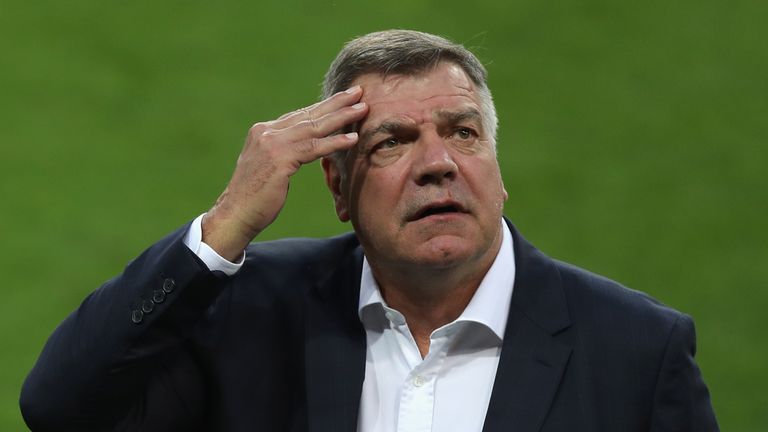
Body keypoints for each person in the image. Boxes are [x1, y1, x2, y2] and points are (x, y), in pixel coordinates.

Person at [20, 30, 718, 431]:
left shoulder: (636, 350)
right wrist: (227, 222)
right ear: (338, 187)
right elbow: (59, 408)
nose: (438, 164)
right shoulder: (247, 310)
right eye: (393, 142)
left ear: (498, 169)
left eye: (462, 133)